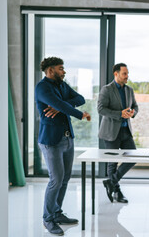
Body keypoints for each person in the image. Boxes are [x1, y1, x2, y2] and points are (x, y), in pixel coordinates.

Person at [35, 57, 91, 235]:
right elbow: (61, 103)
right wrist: (79, 114)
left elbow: (80, 98)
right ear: (50, 70)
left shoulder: (62, 85)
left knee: (65, 178)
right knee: (56, 180)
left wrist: (61, 107)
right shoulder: (42, 87)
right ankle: (48, 219)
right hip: (51, 141)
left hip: (67, 139)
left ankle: (57, 213)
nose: (64, 71)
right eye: (61, 69)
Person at [98, 63, 139, 203]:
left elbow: (135, 106)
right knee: (112, 163)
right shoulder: (106, 89)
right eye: (124, 74)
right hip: (110, 131)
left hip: (126, 130)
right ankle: (117, 192)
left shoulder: (129, 90)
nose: (127, 76)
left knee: (133, 157)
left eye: (127, 73)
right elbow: (101, 109)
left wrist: (133, 113)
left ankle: (111, 182)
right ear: (116, 74)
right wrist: (119, 114)